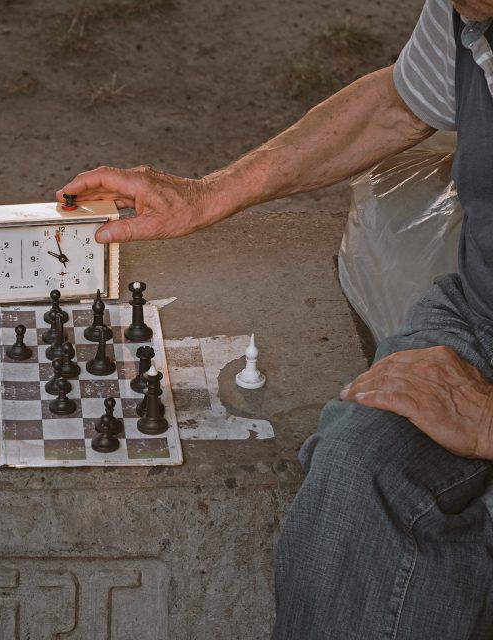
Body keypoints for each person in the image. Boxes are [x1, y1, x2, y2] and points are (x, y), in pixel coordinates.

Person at [60, 0, 493, 637]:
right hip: (482, 312)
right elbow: (397, 105)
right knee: (357, 465)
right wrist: (207, 193)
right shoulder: (466, 13)